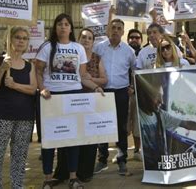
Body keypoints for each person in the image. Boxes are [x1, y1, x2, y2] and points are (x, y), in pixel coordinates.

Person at [36, 13, 103, 188]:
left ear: (71, 28)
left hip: (74, 95)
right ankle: (48, 178)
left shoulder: (78, 48)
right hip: (51, 97)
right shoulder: (46, 47)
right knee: (50, 140)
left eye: (66, 24)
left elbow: (82, 76)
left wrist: (96, 87)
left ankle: (73, 178)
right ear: (55, 27)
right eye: (59, 24)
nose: (63, 27)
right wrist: (42, 88)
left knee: (73, 138)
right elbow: (38, 71)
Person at [53, 28, 108, 183]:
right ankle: (65, 172)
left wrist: (93, 81)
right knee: (68, 137)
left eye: (89, 38)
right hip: (70, 100)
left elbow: (105, 80)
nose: (86, 40)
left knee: (89, 139)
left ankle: (85, 173)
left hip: (90, 103)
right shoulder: (71, 55)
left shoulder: (97, 58)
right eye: (83, 37)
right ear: (78, 39)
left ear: (93, 42)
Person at [136, 75, 196, 170]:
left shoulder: (161, 115)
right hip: (152, 166)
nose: (161, 101)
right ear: (145, 96)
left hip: (160, 163)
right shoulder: (138, 115)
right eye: (157, 97)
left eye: (162, 96)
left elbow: (187, 124)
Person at [0, 26, 37, 188]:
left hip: (24, 117)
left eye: (24, 38)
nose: (21, 41)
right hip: (0, 116)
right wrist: (1, 70)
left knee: (20, 156)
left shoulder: (29, 65)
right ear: (8, 39)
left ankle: (17, 185)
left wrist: (14, 85)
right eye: (17, 37)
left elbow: (32, 89)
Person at [93, 18, 136, 176]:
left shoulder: (129, 51)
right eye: (113, 27)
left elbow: (134, 71)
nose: (116, 30)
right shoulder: (99, 48)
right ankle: (102, 160)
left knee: (120, 127)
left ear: (123, 32)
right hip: (102, 92)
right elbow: (92, 68)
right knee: (102, 125)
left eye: (119, 28)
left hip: (121, 92)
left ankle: (122, 160)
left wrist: (132, 87)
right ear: (108, 30)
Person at [126, 28, 143, 162]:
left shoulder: (144, 54)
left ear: (141, 40)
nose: (134, 39)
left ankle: (137, 150)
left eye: (137, 37)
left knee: (137, 124)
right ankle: (122, 152)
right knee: (124, 124)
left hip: (139, 94)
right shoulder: (124, 52)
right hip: (124, 93)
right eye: (131, 37)